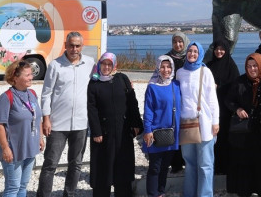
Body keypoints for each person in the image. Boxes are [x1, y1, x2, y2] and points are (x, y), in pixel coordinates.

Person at [36, 32, 93, 197]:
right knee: (50, 164)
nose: (74, 49)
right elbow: (46, 93)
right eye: (71, 45)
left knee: (76, 164)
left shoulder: (89, 63)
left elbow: (102, 79)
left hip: (81, 123)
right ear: (65, 45)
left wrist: (123, 81)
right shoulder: (55, 65)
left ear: (82, 46)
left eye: (77, 45)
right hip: (57, 123)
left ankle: (70, 194)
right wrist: (46, 118)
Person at [87, 53, 143, 197]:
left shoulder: (122, 79)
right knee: (103, 169)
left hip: (123, 131)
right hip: (104, 134)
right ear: (99, 65)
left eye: (109, 64)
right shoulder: (94, 83)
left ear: (114, 65)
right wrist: (96, 131)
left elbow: (132, 102)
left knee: (123, 168)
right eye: (103, 64)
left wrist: (136, 122)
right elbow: (91, 109)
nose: (106, 67)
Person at [0, 60, 44, 197]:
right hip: (13, 149)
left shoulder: (32, 93)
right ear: (15, 78)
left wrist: (40, 138)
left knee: (23, 186)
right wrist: (5, 148)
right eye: (27, 75)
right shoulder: (6, 98)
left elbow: (37, 116)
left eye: (31, 74)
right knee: (12, 188)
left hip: (30, 147)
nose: (31, 77)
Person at [176, 41, 220, 197]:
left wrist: (215, 121)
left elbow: (212, 99)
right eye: (190, 51)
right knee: (190, 163)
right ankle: (190, 193)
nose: (192, 54)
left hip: (204, 122)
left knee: (205, 164)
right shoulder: (180, 72)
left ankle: (205, 194)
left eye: (195, 51)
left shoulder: (205, 72)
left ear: (200, 53)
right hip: (186, 123)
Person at [225, 53, 261, 196]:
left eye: (255, 66)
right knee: (243, 162)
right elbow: (229, 100)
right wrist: (237, 109)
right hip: (243, 132)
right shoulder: (240, 82)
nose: (252, 69)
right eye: (249, 66)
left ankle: (260, 189)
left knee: (259, 162)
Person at [141, 55, 182, 197]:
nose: (166, 70)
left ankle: (161, 192)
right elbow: (148, 110)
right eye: (163, 67)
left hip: (172, 132)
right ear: (158, 68)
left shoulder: (176, 85)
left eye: (168, 66)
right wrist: (147, 130)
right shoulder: (152, 87)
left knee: (165, 166)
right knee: (155, 167)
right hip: (155, 132)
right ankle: (152, 194)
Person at [206, 39, 239, 175]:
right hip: (210, 108)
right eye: (217, 49)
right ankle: (212, 165)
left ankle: (225, 166)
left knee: (224, 137)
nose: (219, 51)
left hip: (225, 108)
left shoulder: (231, 66)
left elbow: (235, 85)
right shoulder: (209, 65)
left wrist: (219, 87)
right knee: (211, 138)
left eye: (222, 49)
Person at [165, 32, 189, 173]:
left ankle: (188, 160)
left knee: (186, 130)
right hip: (172, 96)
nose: (178, 44)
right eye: (175, 42)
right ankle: (175, 162)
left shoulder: (190, 57)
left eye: (180, 41)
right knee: (174, 129)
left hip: (187, 98)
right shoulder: (168, 57)